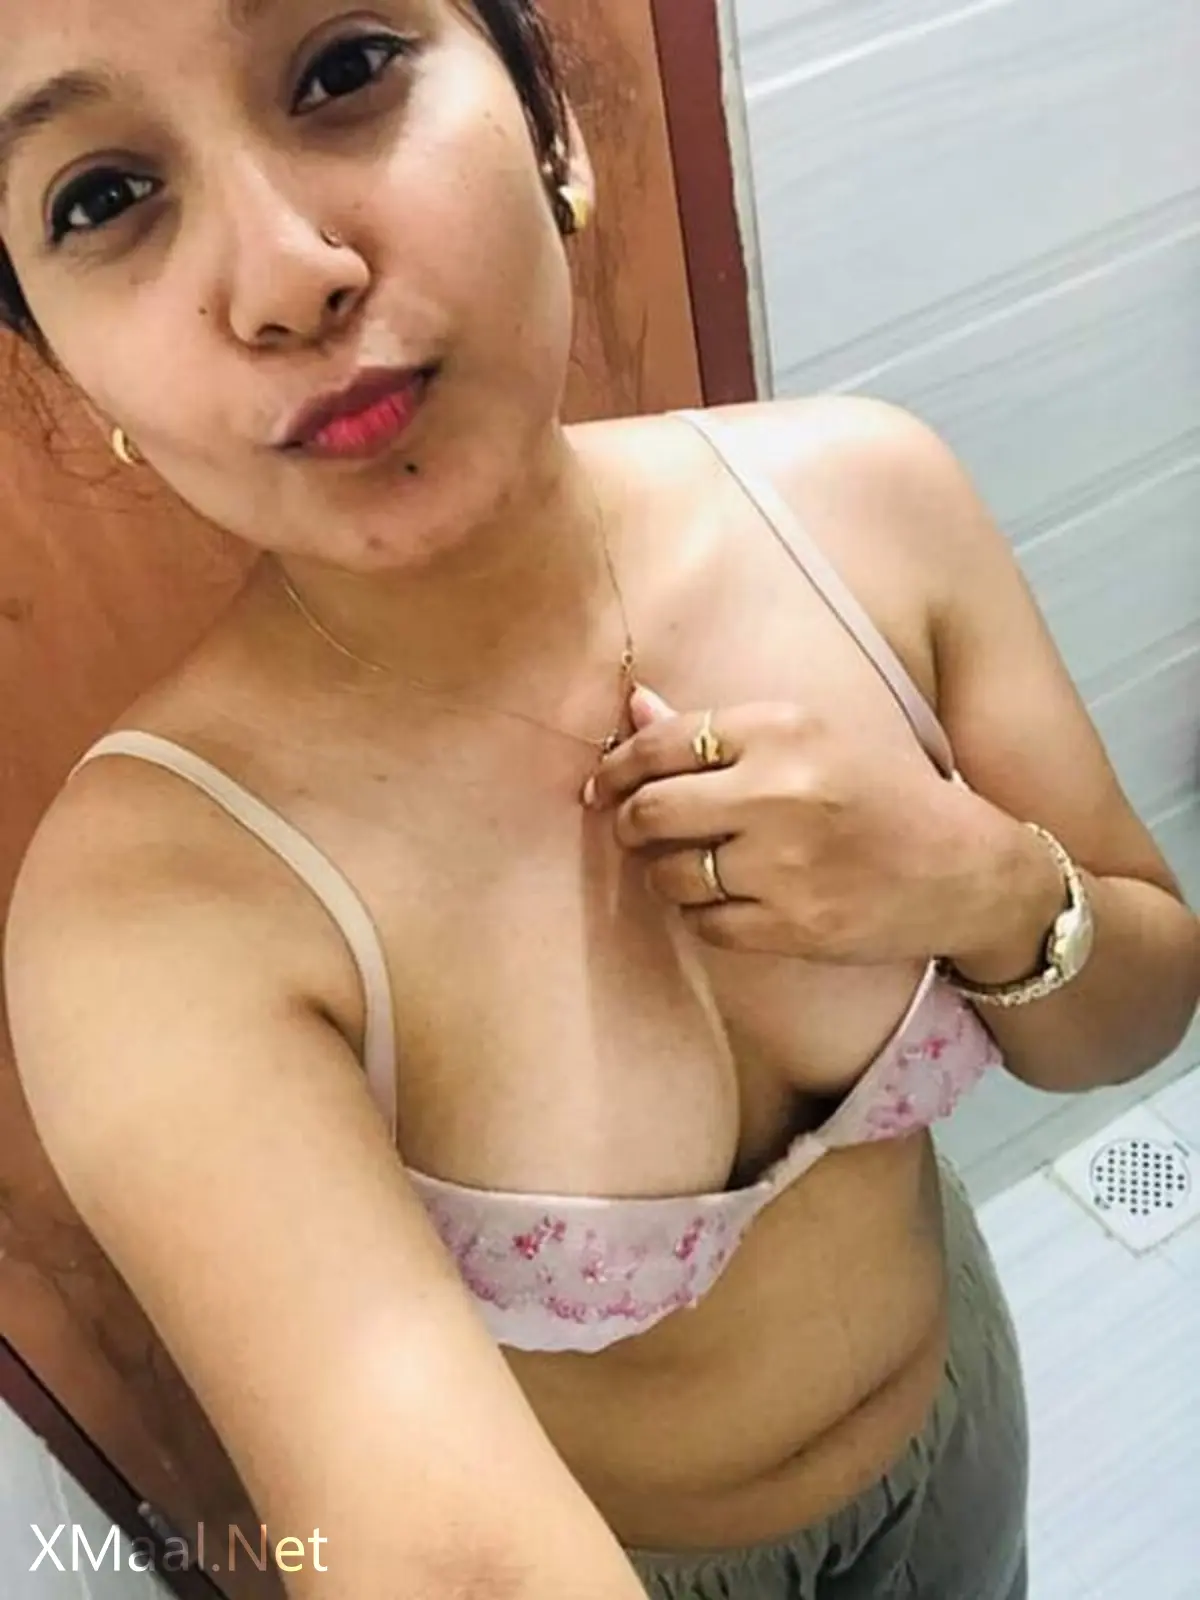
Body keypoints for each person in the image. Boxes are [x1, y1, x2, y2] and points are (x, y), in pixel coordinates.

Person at [3, 3, 1197, 1597]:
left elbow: (1136, 1023)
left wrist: (977, 884)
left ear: (551, 127)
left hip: (961, 1421)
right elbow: (447, 1560)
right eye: (101, 196)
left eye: (343, 68)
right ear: (72, 367)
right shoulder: (155, 911)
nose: (287, 276)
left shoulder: (870, 503)